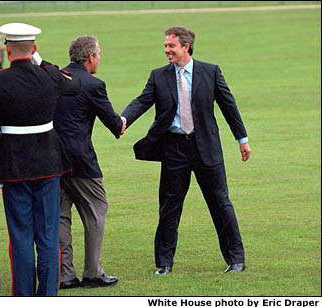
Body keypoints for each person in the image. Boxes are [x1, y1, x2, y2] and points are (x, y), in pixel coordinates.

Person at [121, 26, 251, 275]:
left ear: (186, 46)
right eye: (165, 46)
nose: (166, 50)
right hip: (174, 148)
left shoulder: (210, 72)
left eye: (171, 46)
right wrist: (124, 119)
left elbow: (228, 105)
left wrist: (242, 139)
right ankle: (164, 263)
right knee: (169, 206)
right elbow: (142, 101)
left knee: (221, 203)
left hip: (206, 148)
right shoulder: (158, 76)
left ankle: (236, 259)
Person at [0, 23, 81, 296]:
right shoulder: (49, 75)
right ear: (34, 49)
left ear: (8, 50)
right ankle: (48, 294)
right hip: (48, 164)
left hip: (13, 167)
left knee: (21, 236)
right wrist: (41, 61)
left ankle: (23, 295)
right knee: (48, 236)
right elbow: (75, 84)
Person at [54, 35, 124, 289]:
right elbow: (114, 124)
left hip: (53, 160)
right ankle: (93, 272)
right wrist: (122, 123)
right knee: (96, 211)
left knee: (61, 216)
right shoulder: (94, 84)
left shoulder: (55, 78)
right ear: (91, 56)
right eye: (99, 54)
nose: (100, 59)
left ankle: (65, 275)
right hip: (81, 161)